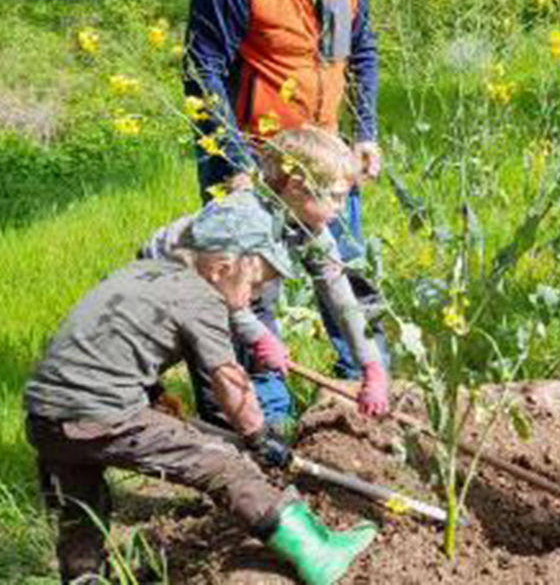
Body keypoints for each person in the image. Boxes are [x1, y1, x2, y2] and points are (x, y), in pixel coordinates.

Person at [25, 194, 376, 584]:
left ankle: (83, 576)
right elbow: (228, 381)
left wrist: (153, 395)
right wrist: (257, 437)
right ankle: (317, 553)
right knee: (224, 464)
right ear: (222, 267)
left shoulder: (140, 273)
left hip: (46, 416)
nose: (255, 298)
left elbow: (104, 343)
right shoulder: (201, 298)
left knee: (82, 503)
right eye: (256, 285)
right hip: (103, 414)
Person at [182, 0, 387, 378]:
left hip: (326, 152)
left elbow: (359, 49)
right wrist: (236, 168)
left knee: (349, 273)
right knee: (251, 291)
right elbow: (202, 76)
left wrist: (364, 133)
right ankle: (264, 419)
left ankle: (367, 393)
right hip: (256, 159)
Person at [139, 128, 390, 436]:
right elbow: (219, 291)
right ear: (297, 186)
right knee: (216, 374)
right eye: (336, 196)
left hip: (225, 287)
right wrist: (259, 336)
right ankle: (223, 442)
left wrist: (371, 366)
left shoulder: (310, 225)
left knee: (237, 348)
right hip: (171, 280)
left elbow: (341, 297)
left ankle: (260, 430)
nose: (341, 207)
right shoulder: (244, 221)